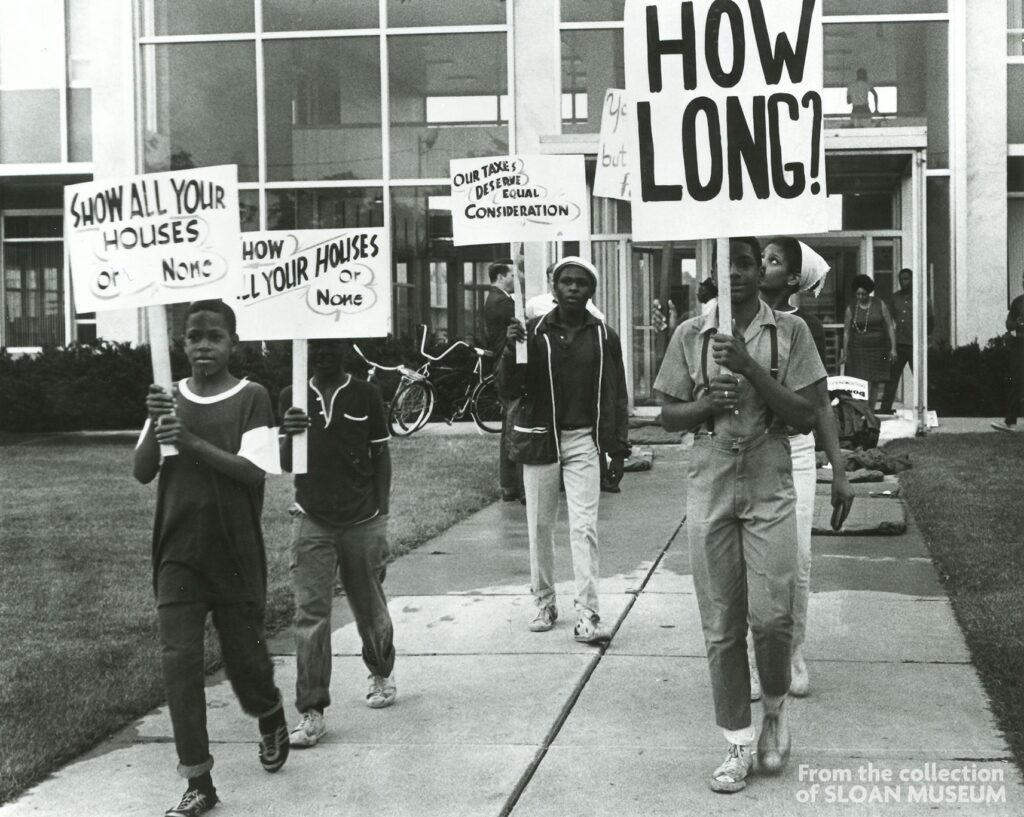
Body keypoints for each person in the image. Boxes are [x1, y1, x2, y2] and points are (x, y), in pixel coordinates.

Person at [654, 237, 825, 794]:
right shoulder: (689, 332)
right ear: (712, 272)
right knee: (722, 623)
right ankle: (737, 742)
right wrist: (705, 404)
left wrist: (752, 368)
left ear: (759, 272)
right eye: (726, 264)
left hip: (769, 472)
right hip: (710, 476)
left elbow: (805, 415)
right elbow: (668, 416)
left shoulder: (791, 332)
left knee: (773, 618)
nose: (737, 274)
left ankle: (774, 708)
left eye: (747, 263)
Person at [133, 299, 288, 817]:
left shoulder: (252, 398)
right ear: (181, 343)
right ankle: (198, 779)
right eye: (194, 336)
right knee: (179, 663)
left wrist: (190, 438)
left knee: (245, 662)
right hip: (178, 549)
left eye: (214, 336)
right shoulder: (167, 398)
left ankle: (267, 713)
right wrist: (159, 426)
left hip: (234, 549)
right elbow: (142, 471)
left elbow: (252, 472)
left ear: (232, 344)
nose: (202, 345)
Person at [500, 256, 630, 642]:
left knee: (584, 527)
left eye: (582, 283)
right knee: (539, 526)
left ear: (592, 291)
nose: (573, 288)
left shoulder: (604, 336)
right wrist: (511, 351)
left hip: (583, 440)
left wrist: (617, 448)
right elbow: (508, 390)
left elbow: (616, 395)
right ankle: (544, 599)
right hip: (541, 438)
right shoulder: (532, 332)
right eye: (566, 282)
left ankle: (588, 611)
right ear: (554, 289)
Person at [278, 339, 396, 750]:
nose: (322, 353)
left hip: (362, 518)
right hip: (311, 517)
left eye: (330, 346)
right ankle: (311, 711)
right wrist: (287, 435)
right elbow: (285, 463)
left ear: (346, 349)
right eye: (315, 347)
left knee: (368, 605)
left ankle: (381, 670)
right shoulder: (292, 395)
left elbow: (380, 456)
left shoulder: (366, 393)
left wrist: (381, 514)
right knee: (310, 612)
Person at [759, 237, 855, 699]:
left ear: (794, 280)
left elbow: (820, 405)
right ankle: (754, 656)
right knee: (747, 561)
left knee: (796, 559)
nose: (763, 265)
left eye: (774, 261)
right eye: (761, 258)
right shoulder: (735, 317)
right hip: (748, 450)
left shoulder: (805, 329)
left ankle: (793, 652)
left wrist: (838, 470)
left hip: (793, 451)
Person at [483, 260, 524, 501]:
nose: (515, 277)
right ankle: (511, 483)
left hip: (500, 364)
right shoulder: (503, 302)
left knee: (510, 419)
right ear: (501, 277)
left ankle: (510, 483)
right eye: (512, 274)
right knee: (513, 421)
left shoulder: (493, 299)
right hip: (505, 365)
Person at [880, 268, 932, 415]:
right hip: (899, 344)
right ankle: (885, 409)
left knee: (920, 378)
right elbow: (888, 320)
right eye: (901, 279)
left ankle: (926, 409)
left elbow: (930, 319)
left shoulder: (921, 297)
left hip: (915, 345)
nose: (904, 282)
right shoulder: (895, 298)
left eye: (906, 279)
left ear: (912, 279)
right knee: (892, 378)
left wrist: (925, 338)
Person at [841, 274, 897, 410]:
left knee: (875, 380)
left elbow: (890, 326)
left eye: (864, 294)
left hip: (879, 349)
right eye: (858, 294)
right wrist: (845, 353)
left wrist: (893, 348)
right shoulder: (851, 307)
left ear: (869, 292)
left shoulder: (879, 304)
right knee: (861, 381)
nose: (860, 297)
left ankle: (870, 411)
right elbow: (846, 332)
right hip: (858, 349)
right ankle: (863, 411)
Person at [993, 274, 1024, 431]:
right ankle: (1010, 421)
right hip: (1020, 344)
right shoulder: (1018, 302)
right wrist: (1016, 323)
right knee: (1015, 381)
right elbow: (1008, 323)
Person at [526, 261, 606, 321]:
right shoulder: (535, 303)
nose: (573, 288)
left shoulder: (585, 304)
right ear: (548, 281)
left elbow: (601, 320)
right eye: (553, 280)